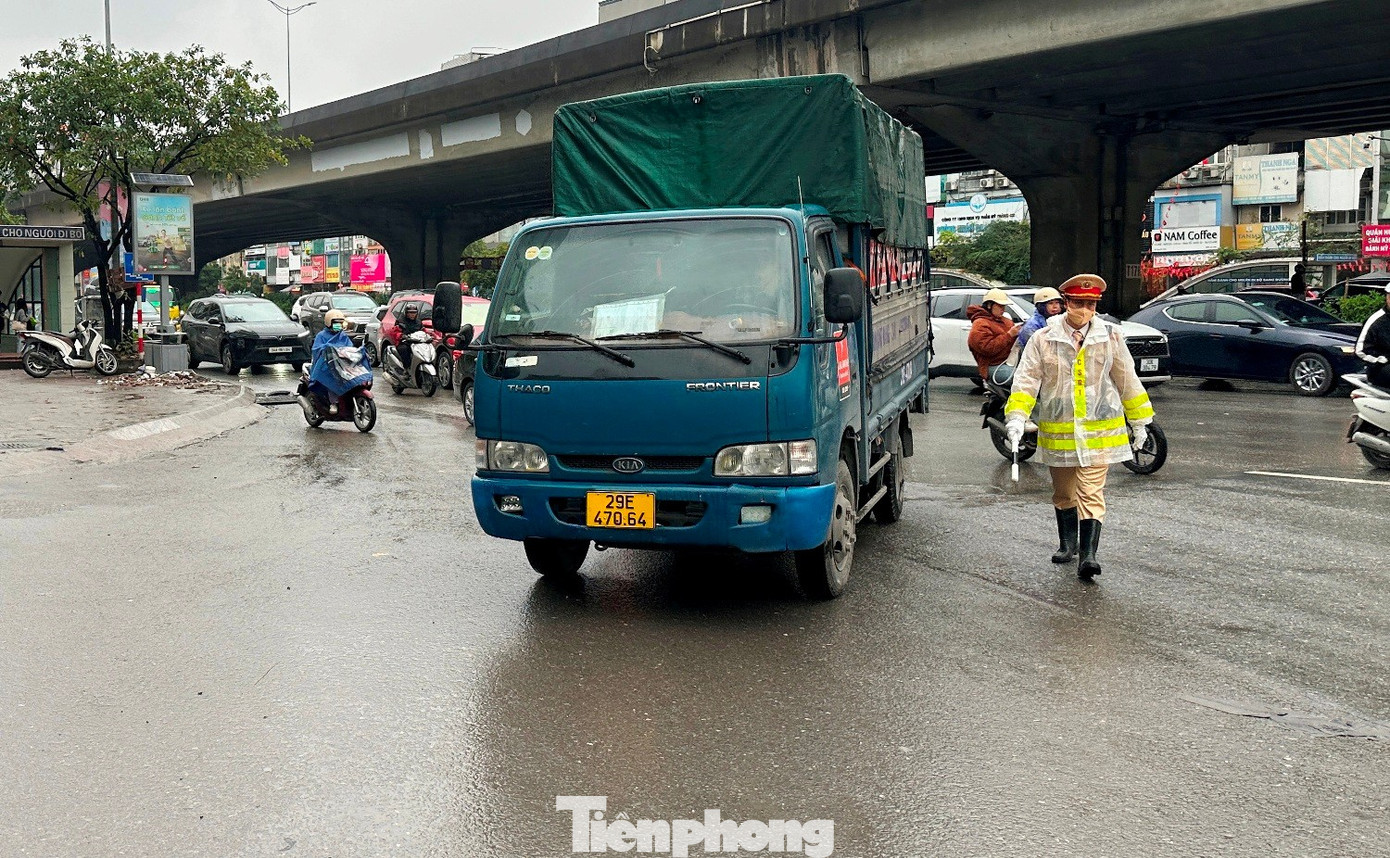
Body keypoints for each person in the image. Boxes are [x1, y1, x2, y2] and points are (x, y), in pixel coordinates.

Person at [1004, 274, 1155, 581]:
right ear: (1066, 303)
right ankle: (1068, 543)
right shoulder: (1043, 339)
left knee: (1090, 491)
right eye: (1079, 303)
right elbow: (1027, 380)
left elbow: (1127, 379)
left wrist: (1140, 421)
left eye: (1091, 304)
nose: (1085, 310)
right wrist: (1017, 417)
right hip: (1060, 432)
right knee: (1064, 492)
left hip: (1100, 433)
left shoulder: (1110, 337)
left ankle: (1088, 556)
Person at [966, 288, 1021, 379]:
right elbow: (987, 349)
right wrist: (1009, 335)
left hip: (1011, 362)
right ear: (989, 305)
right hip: (993, 366)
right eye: (1000, 306)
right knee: (1021, 380)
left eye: (1004, 306)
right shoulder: (980, 323)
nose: (1003, 309)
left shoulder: (1006, 321)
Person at [308, 309, 353, 416]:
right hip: (326, 365)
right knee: (332, 379)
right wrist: (326, 348)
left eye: (340, 323)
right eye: (336, 323)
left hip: (341, 364)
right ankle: (333, 403)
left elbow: (350, 347)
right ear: (329, 323)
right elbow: (316, 349)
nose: (338, 326)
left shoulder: (342, 335)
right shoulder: (321, 336)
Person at [1355, 283, 1390, 389]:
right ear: (1387, 297)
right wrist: (1381, 359)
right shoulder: (1377, 320)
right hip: (1381, 369)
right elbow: (1360, 350)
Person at [394, 303, 424, 369]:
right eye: (410, 312)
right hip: (405, 342)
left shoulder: (419, 322)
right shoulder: (400, 321)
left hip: (417, 342)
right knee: (403, 349)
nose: (412, 314)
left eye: (414, 312)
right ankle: (406, 367)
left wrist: (429, 336)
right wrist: (401, 335)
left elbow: (424, 331)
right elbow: (395, 332)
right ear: (406, 313)